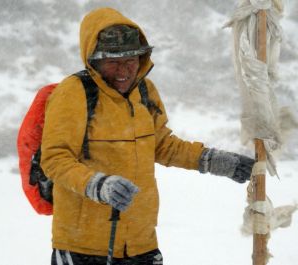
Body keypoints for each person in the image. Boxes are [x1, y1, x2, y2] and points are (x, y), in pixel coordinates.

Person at [40, 7, 254, 265]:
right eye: (113, 61)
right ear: (93, 59)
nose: (124, 71)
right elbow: (54, 159)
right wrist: (98, 185)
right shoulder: (73, 93)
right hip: (84, 247)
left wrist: (213, 161)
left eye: (131, 60)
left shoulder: (144, 91)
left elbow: (163, 146)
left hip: (141, 243)